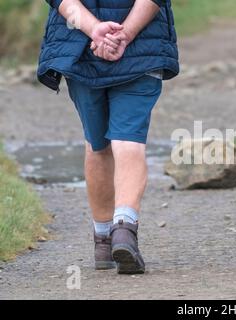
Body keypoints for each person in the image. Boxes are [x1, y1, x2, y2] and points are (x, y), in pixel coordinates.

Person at [38, 0, 179, 274]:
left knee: (97, 144)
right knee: (129, 140)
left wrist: (94, 30)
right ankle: (124, 230)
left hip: (78, 45)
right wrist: (126, 33)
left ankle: (103, 239)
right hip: (143, 47)